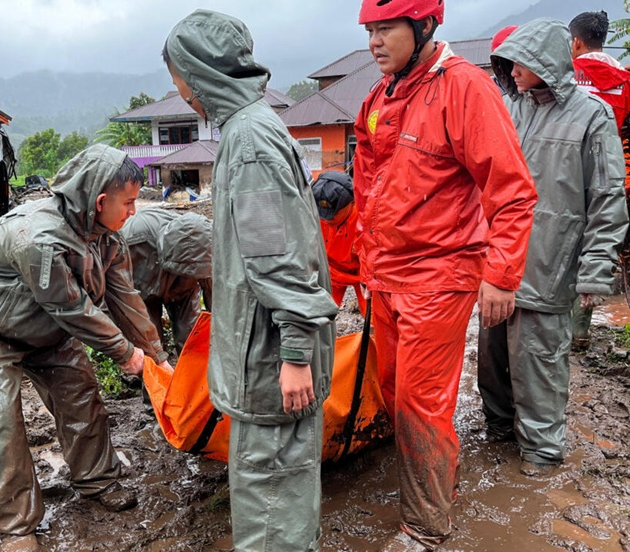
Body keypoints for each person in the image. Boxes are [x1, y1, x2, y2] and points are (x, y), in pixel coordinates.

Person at [353, 1, 538, 549]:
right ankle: (431, 480)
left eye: (385, 28)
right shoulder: (380, 95)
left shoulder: (465, 90)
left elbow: (511, 191)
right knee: (391, 391)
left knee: (420, 400)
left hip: (440, 274)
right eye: (370, 30)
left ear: (425, 26)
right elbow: (368, 185)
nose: (374, 42)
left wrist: (502, 276)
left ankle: (425, 526)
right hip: (386, 275)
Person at [0, 145, 172, 552]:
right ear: (100, 201)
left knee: (80, 393)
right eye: (129, 202)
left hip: (45, 327)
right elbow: (74, 310)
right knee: (1, 420)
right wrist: (126, 355)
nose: (134, 211)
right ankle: (15, 527)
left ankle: (97, 479)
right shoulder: (38, 237)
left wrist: (157, 356)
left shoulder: (107, 237)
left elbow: (125, 298)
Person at [163, 10, 337, 552]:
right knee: (280, 494)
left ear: (198, 73)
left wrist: (293, 356)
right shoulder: (255, 127)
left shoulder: (249, 143)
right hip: (263, 354)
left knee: (270, 502)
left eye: (179, 77)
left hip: (268, 362)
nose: (180, 92)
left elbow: (282, 260)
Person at [482, 18, 628, 478]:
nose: (512, 69)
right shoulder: (510, 108)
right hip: (500, 263)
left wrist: (595, 268)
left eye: (521, 61)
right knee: (493, 363)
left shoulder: (592, 115)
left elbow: (608, 195)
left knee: (539, 366)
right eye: (508, 62)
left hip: (552, 263)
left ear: (546, 61)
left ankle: (541, 457)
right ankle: (499, 436)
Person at [569, 10, 630, 346]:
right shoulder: (628, 80)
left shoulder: (568, 74)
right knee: (598, 247)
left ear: (576, 42)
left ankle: (560, 328)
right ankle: (581, 330)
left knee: (564, 248)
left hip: (569, 171)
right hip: (611, 173)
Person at [121, 207, 212, 354]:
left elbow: (212, 290)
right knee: (150, 345)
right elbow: (117, 287)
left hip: (184, 292)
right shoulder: (131, 238)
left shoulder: (205, 245)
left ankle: (189, 370)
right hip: (142, 292)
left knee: (191, 339)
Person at [311, 171, 366, 316]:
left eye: (333, 213)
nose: (327, 219)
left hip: (363, 272)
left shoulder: (365, 217)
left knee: (374, 317)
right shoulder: (314, 215)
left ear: (352, 202)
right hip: (331, 271)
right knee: (321, 315)